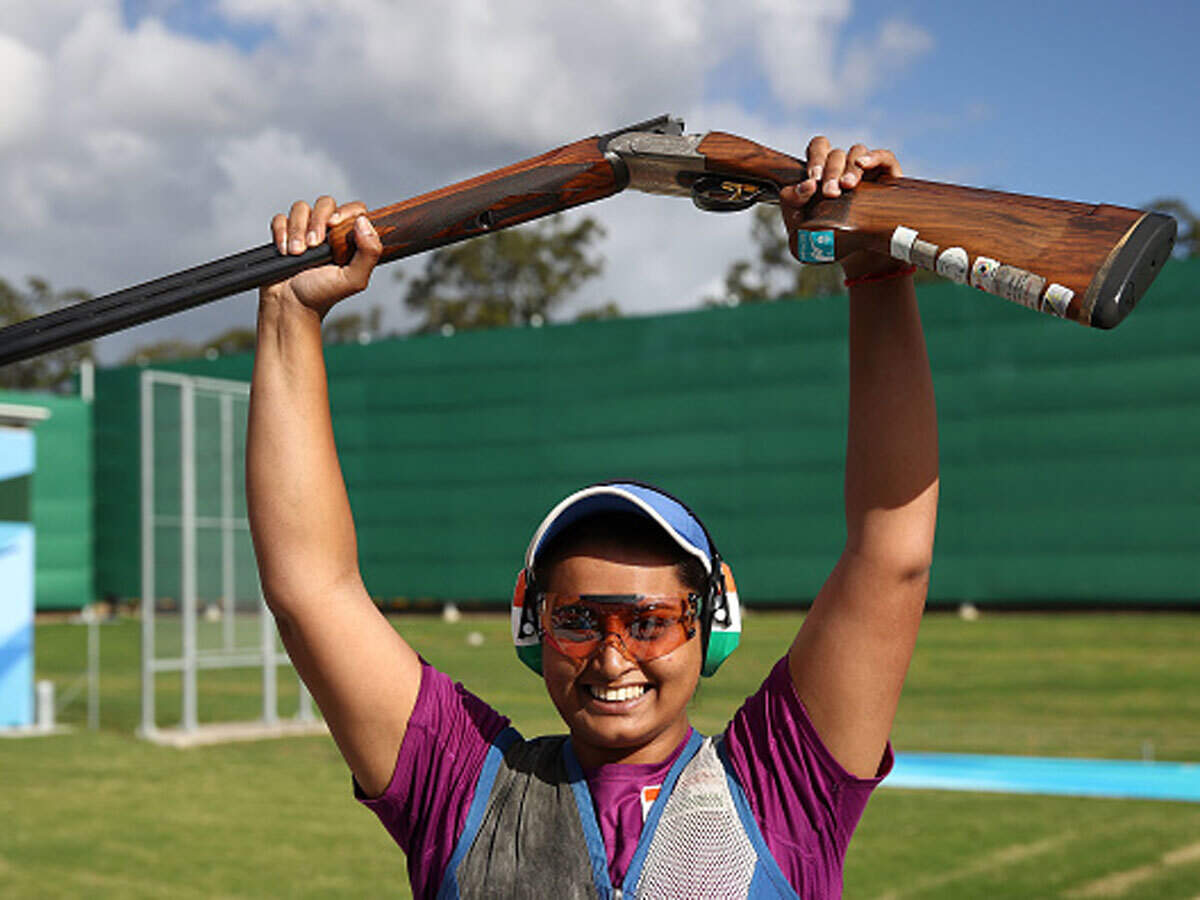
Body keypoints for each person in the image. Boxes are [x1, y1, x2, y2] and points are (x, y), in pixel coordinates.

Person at [246, 137, 938, 899]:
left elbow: (890, 551)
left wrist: (875, 273)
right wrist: (290, 311)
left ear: (714, 623)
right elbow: (311, 589)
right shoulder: (462, 788)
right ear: (531, 622)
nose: (612, 660)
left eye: (650, 621)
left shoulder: (783, 790)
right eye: (578, 620)